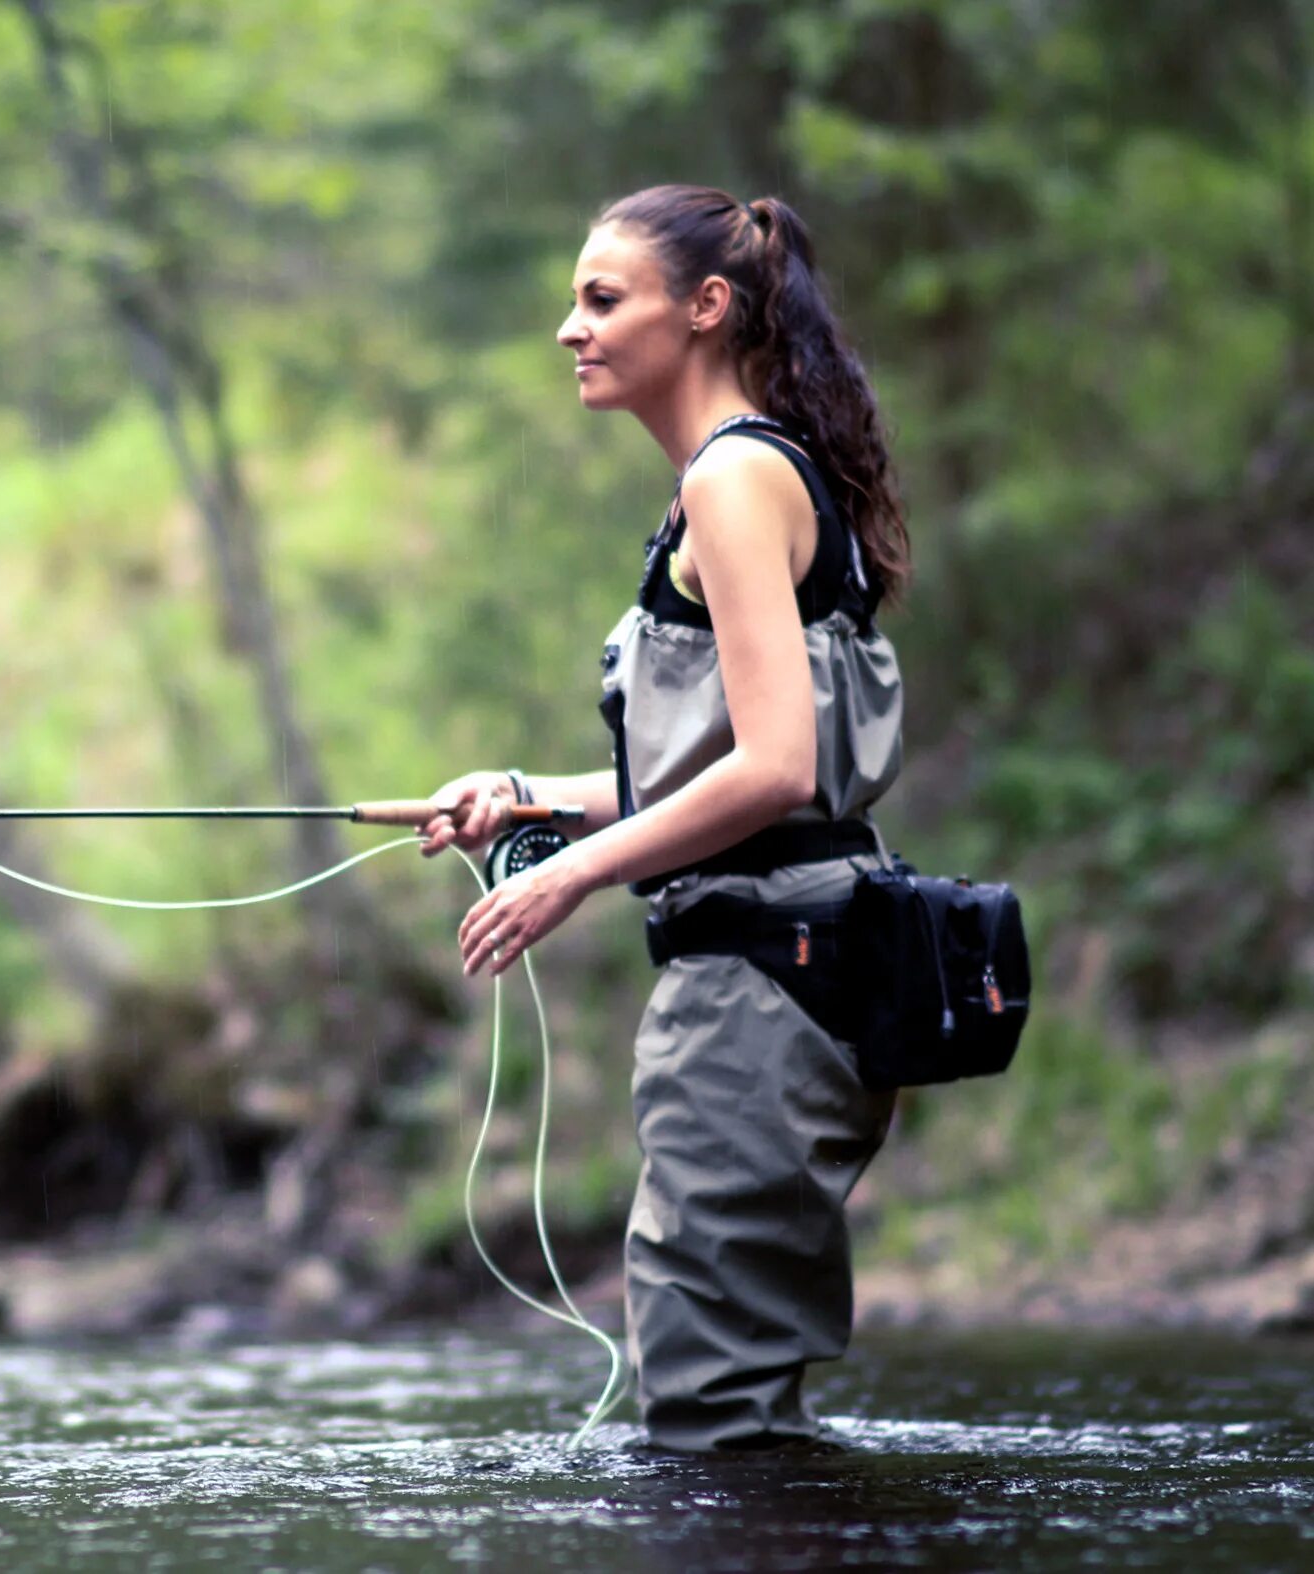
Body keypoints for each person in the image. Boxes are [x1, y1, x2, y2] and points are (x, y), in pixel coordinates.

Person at [418, 184, 914, 1453]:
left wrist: (565, 873)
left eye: (601, 300)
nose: (569, 329)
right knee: (733, 1393)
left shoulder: (734, 481)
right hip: (802, 967)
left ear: (704, 310)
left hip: (765, 988)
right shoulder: (750, 472)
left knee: (708, 1409)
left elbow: (774, 773)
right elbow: (722, 762)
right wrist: (530, 798)